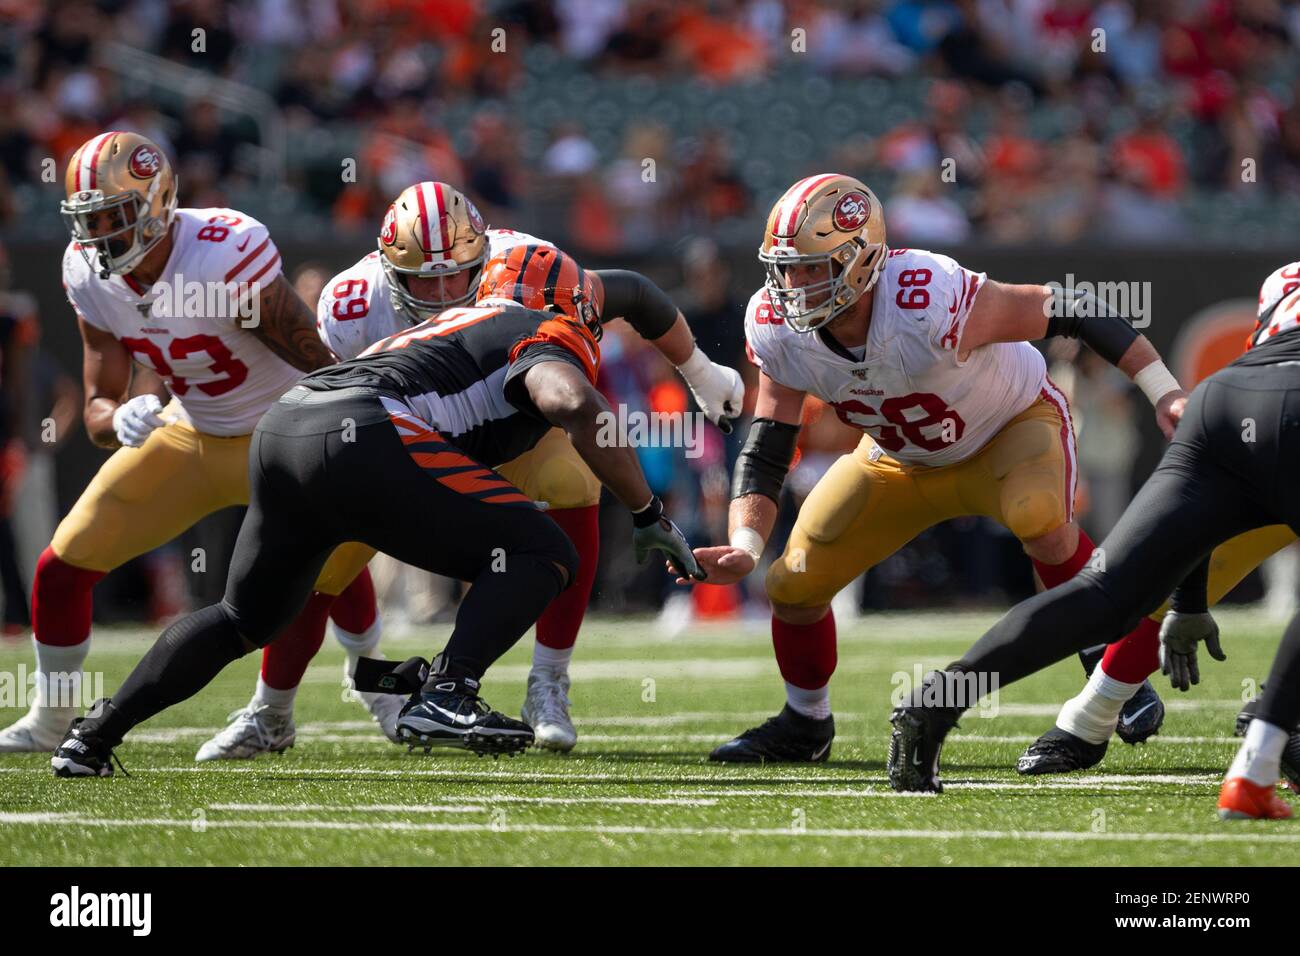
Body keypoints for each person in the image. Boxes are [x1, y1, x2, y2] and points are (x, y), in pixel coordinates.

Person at [51, 245, 705, 777]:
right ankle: (448, 693)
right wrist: (646, 512)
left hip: (287, 426)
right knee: (546, 550)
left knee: (240, 617)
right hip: (366, 435)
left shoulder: (462, 322)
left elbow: (633, 297)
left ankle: (94, 737)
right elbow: (572, 403)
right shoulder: (543, 328)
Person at [195, 182, 743, 759]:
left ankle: (548, 682)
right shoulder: (351, 303)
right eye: (421, 279)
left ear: (483, 258)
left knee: (572, 482)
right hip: (401, 440)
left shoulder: (521, 263)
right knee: (322, 560)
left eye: (456, 275)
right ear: (388, 271)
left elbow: (632, 292)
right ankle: (272, 709)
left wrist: (703, 374)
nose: (440, 291)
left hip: (506, 419)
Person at [683, 173, 1185, 763]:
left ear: (863, 259)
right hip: (901, 458)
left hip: (1008, 428)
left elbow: (1070, 307)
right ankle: (804, 723)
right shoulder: (775, 325)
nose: (794, 285)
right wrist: (744, 543)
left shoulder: (926, 296)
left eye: (813, 268)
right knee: (791, 584)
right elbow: (768, 442)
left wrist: (1164, 392)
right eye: (786, 268)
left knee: (1041, 520)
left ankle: (1112, 669)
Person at [0, 132, 380, 754]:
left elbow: (315, 359)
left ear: (157, 201)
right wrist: (117, 416)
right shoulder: (87, 271)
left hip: (279, 433)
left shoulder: (221, 248)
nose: (97, 235)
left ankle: (364, 686)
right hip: (194, 432)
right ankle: (50, 718)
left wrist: (348, 433)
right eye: (86, 220)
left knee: (320, 571)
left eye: (112, 217)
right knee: (61, 566)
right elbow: (99, 398)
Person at [887, 262, 1300, 820]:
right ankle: (1267, 745)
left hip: (1226, 398)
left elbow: (1226, 492)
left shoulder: (1284, 282)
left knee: (1105, 595)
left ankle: (938, 699)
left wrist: (1189, 601)